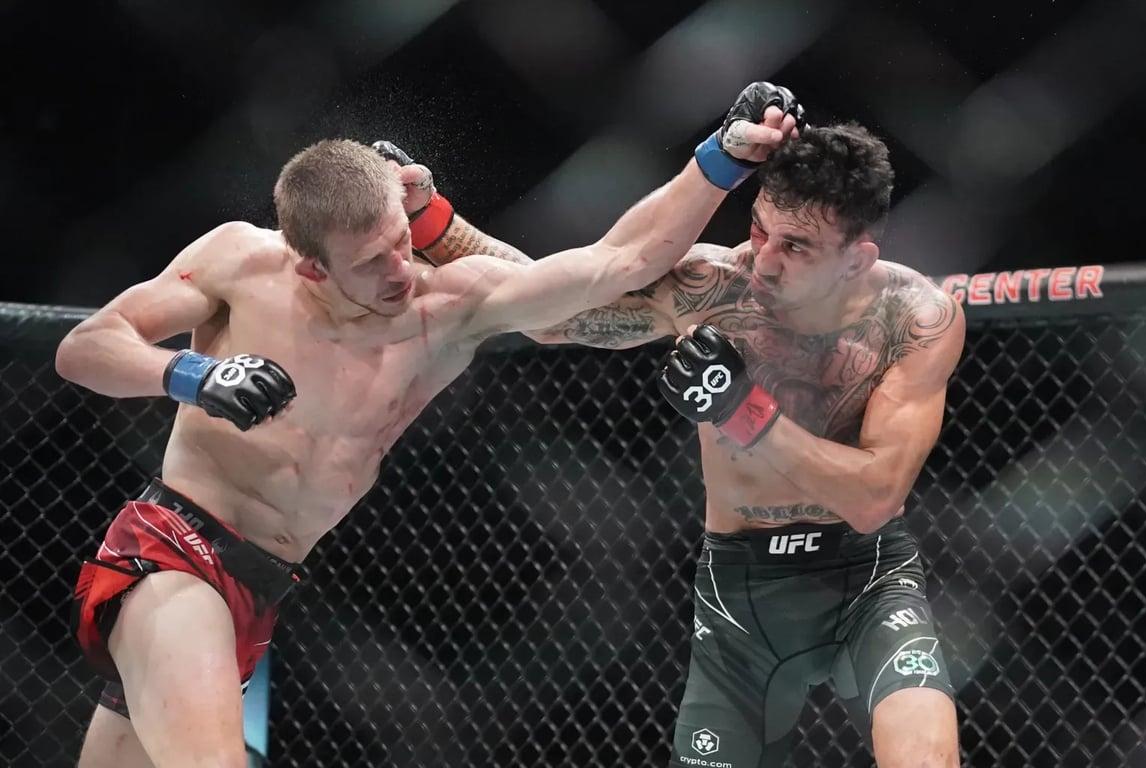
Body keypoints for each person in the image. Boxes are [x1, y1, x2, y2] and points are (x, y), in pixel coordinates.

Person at [58, 83, 804, 767]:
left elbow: (622, 261)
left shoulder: (448, 306)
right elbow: (85, 348)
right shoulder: (240, 266)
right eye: (370, 261)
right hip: (173, 553)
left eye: (398, 240)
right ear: (310, 267)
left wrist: (722, 159)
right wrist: (192, 376)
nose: (399, 269)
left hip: (261, 586)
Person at [421, 118, 964, 766]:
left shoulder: (916, 316)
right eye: (760, 228)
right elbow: (552, 310)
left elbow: (875, 497)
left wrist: (744, 413)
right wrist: (432, 223)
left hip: (868, 573)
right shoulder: (712, 287)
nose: (763, 259)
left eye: (796, 246)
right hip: (743, 582)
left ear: (857, 258)